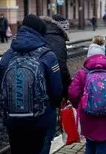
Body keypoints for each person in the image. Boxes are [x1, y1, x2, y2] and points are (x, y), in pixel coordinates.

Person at [0, 14, 63, 154]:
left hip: (12, 117)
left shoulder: (8, 55)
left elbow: (1, 85)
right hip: (40, 117)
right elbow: (56, 91)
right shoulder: (47, 55)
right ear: (40, 32)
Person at [68, 37, 106, 154]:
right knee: (103, 143)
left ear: (89, 56)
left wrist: (79, 105)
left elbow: (73, 93)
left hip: (87, 115)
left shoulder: (82, 73)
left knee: (90, 142)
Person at [39, 15, 72, 154]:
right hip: (48, 96)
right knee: (46, 134)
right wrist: (66, 93)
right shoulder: (58, 39)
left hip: (22, 97)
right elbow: (61, 69)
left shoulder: (21, 39)